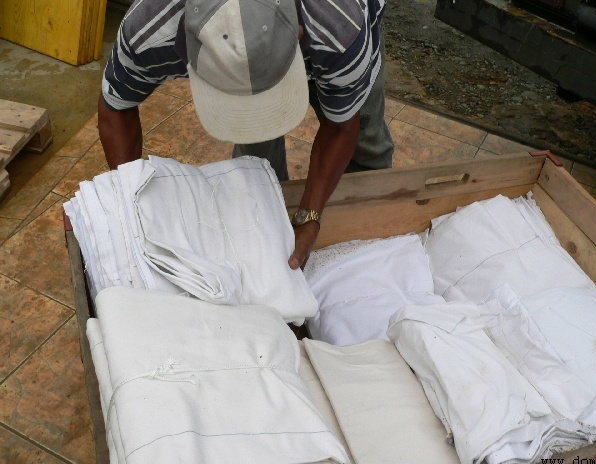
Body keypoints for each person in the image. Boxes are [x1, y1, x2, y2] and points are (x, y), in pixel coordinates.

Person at [98, 0, 394, 270]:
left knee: (365, 139)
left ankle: (371, 237)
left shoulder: (342, 29)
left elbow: (342, 128)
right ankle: (269, 221)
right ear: (188, 44)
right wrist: (131, 205)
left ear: (298, 34)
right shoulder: (149, 28)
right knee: (256, 164)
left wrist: (310, 216)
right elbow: (116, 105)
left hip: (340, 34)